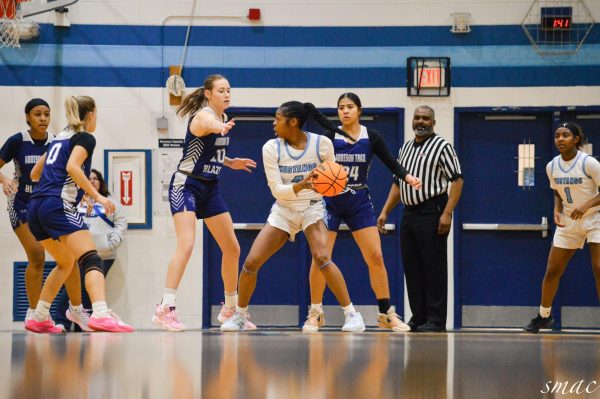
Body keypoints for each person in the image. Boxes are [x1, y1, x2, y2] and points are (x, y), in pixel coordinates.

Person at [221, 101, 366, 332]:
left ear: (293, 122)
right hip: (284, 210)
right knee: (250, 262)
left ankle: (352, 315)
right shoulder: (271, 147)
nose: (273, 124)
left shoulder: (322, 144)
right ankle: (239, 315)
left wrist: (338, 180)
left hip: (312, 207)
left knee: (321, 257)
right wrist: (302, 185)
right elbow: (277, 190)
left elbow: (332, 185)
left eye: (277, 119)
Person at [304, 92, 422, 333]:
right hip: (330, 202)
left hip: (358, 201)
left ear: (359, 110)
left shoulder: (371, 137)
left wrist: (408, 177)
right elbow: (315, 166)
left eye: (349, 107)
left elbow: (391, 162)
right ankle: (316, 312)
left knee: (376, 257)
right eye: (340, 108)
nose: (345, 111)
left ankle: (385, 313)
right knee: (321, 258)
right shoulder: (329, 137)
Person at [152, 74, 257, 332]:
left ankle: (230, 309)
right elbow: (208, 125)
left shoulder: (221, 119)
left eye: (229, 90)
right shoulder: (204, 116)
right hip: (186, 185)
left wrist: (230, 162)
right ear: (208, 94)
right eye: (221, 90)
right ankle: (165, 308)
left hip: (210, 187)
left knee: (232, 248)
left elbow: (210, 150)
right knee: (186, 246)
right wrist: (219, 127)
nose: (227, 94)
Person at [26, 95, 133, 333]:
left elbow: (35, 173)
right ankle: (101, 313)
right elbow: (73, 167)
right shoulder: (84, 137)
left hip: (36, 207)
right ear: (91, 115)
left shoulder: (59, 138)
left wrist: (74, 189)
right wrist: (98, 197)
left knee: (65, 262)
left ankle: (40, 315)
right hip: (56, 204)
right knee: (91, 258)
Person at [0, 98, 85, 331]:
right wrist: (6, 179)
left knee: (68, 257)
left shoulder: (57, 142)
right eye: (37, 114)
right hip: (20, 203)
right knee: (37, 255)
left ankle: (76, 311)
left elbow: (69, 170)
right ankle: (35, 313)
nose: (43, 119)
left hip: (46, 204)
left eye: (47, 114)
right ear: (28, 117)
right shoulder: (18, 141)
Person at [378, 106, 463, 332]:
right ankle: (418, 316)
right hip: (409, 212)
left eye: (426, 118)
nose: (421, 122)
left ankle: (436, 320)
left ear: (433, 123)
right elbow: (398, 183)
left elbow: (457, 181)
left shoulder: (442, 146)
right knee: (412, 267)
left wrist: (447, 213)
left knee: (433, 268)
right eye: (417, 118)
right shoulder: (405, 148)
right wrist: (385, 210)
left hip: (432, 211)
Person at [525, 123, 600, 333]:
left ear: (576, 139)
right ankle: (544, 316)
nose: (560, 139)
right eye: (557, 135)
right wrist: (556, 211)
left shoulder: (589, 163)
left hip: (595, 219)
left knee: (599, 268)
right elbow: (557, 193)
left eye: (566, 135)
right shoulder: (552, 166)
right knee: (552, 270)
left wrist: (586, 205)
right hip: (569, 221)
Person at [55, 169, 127, 332]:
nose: (93, 181)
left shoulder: (111, 202)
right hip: (79, 254)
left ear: (101, 182)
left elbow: (121, 225)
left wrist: (110, 244)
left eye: (96, 179)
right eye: (89, 179)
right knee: (70, 289)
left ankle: (83, 325)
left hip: (104, 255)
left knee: (91, 291)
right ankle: (61, 322)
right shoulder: (75, 201)